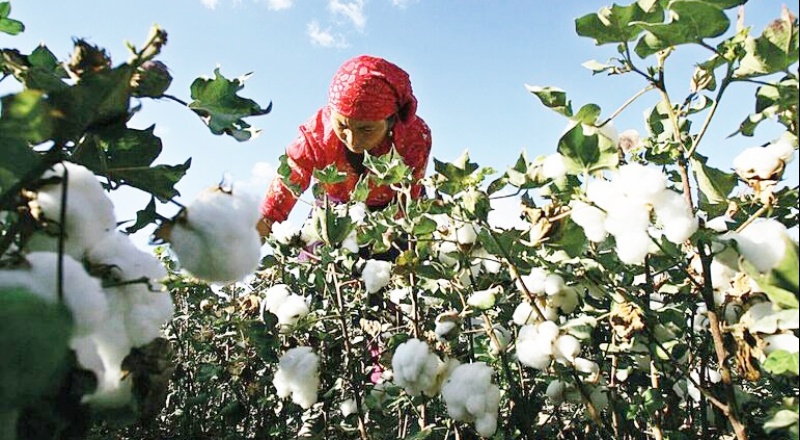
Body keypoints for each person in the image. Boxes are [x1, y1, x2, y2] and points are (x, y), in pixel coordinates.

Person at [257, 55, 432, 238]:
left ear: (391, 120)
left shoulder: (415, 137)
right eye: (342, 126)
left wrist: (382, 240)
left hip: (393, 215)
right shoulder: (315, 136)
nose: (352, 140)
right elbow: (274, 207)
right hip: (332, 214)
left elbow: (407, 201)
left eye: (366, 129)